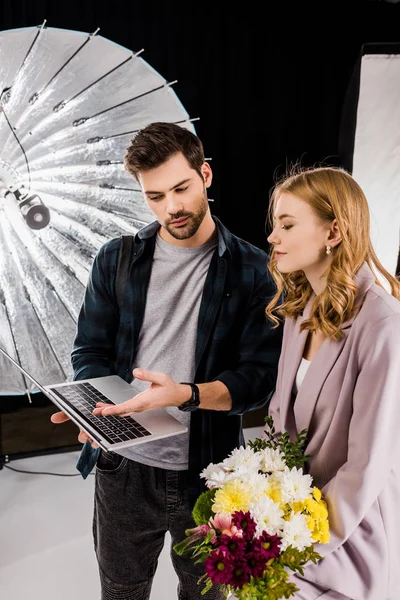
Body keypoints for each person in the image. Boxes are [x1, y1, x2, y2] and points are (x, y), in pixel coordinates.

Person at [51, 122, 282, 600]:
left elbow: (258, 380)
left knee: (205, 594)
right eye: (155, 196)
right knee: (121, 590)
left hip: (210, 471)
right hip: (123, 469)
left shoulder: (254, 271)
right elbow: (90, 351)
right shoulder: (115, 260)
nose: (172, 207)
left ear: (206, 175)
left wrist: (188, 395)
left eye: (181, 188)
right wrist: (94, 410)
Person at [265, 166, 400, 600]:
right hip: (291, 523)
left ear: (334, 231)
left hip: (347, 537)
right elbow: (278, 424)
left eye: (287, 225)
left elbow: (365, 467)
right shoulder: (298, 312)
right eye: (274, 225)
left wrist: (294, 544)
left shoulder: (382, 324)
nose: (273, 238)